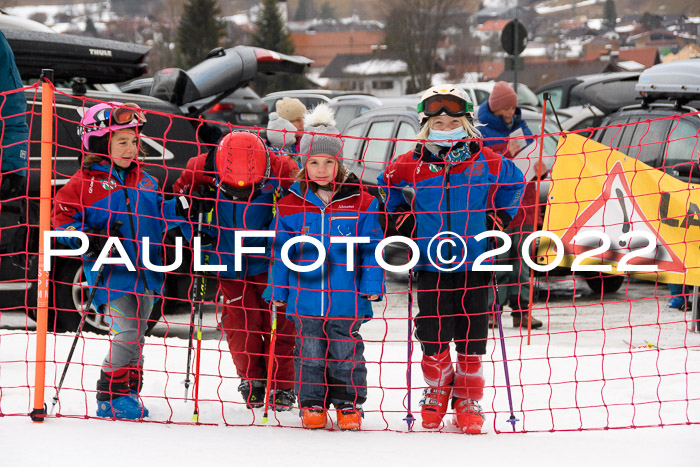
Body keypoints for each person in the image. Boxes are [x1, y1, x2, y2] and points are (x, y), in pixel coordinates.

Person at [378, 85, 525, 434]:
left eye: (452, 121)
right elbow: (387, 187)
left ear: (468, 123)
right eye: (438, 124)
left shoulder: (486, 159)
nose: (445, 128)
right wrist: (401, 217)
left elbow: (514, 184)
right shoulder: (411, 163)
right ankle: (436, 389)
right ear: (426, 127)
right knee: (432, 331)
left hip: (476, 261)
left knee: (473, 332)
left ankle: (468, 397)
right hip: (431, 262)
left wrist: (498, 219)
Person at [52, 102, 190, 419]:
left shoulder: (147, 182)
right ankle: (108, 394)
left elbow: (158, 218)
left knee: (138, 335)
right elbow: (61, 224)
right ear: (100, 143)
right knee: (126, 332)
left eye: (134, 141)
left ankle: (129, 392)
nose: (131, 148)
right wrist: (90, 237)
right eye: (121, 142)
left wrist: (180, 210)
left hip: (148, 274)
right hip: (111, 275)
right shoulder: (83, 185)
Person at [269, 104, 384, 431]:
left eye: (328, 163)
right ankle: (311, 403)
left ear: (339, 164)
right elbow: (280, 252)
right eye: (314, 163)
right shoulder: (291, 203)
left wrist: (371, 284)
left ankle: (349, 402)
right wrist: (277, 290)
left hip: (347, 299)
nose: (321, 169)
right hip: (304, 300)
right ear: (304, 164)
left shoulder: (361, 201)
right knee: (310, 352)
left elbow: (372, 248)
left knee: (346, 351)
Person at [172, 131, 299, 412]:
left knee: (279, 323)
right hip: (227, 259)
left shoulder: (285, 168)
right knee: (240, 323)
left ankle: (282, 384)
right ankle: (251, 380)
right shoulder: (199, 167)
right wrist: (193, 226)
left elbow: (303, 208)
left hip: (270, 262)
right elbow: (176, 205)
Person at [477, 81, 543, 329]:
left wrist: (541, 171)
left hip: (525, 207)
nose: (510, 113)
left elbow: (533, 161)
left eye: (514, 108)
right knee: (498, 263)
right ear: (495, 108)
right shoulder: (481, 134)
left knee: (523, 265)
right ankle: (493, 311)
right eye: (506, 108)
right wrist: (506, 155)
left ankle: (522, 312)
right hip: (499, 210)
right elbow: (481, 170)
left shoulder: (523, 129)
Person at [265, 97, 306, 162]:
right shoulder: (271, 150)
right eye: (297, 120)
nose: (303, 124)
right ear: (284, 123)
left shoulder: (306, 143)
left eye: (303, 119)